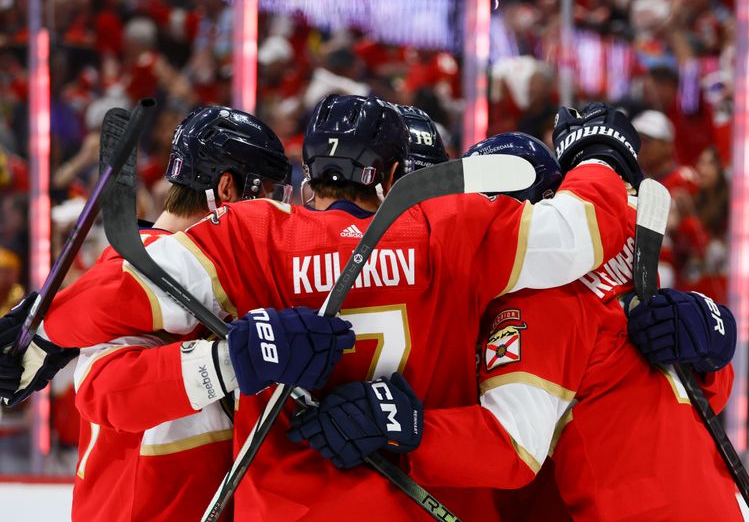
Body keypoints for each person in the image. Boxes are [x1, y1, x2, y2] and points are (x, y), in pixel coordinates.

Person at [14, 95, 637, 520]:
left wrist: (43, 332)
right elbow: (586, 229)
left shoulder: (251, 234)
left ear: (308, 177)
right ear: (394, 175)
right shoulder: (456, 227)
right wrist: (599, 159)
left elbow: (123, 289)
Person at [292, 128, 741, 522]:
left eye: (486, 206)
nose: (467, 220)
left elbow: (514, 447)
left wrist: (403, 428)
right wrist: (714, 360)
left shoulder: (539, 299)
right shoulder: (600, 272)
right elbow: (650, 386)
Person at [1, 106, 354, 522]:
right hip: (139, 509)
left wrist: (48, 328)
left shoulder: (164, 271)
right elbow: (109, 393)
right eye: (270, 193)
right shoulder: (142, 268)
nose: (275, 211)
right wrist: (231, 361)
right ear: (227, 188)